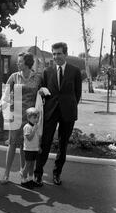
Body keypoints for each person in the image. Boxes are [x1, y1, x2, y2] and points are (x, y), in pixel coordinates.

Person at [35, 42, 82, 186]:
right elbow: (41, 90)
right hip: (51, 112)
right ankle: (38, 174)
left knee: (63, 145)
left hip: (68, 113)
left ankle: (57, 174)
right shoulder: (47, 72)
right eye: (54, 54)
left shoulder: (75, 71)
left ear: (65, 54)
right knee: (45, 142)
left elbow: (77, 93)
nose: (56, 56)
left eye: (59, 53)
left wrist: (69, 105)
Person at [0, 53, 42, 184]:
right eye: (18, 62)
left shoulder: (37, 78)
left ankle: (23, 173)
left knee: (25, 145)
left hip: (30, 117)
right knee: (12, 143)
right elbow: (5, 94)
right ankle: (6, 173)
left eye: (20, 62)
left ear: (28, 63)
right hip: (16, 114)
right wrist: (3, 104)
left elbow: (40, 96)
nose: (18, 64)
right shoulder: (14, 76)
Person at [20, 107, 41, 189]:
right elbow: (29, 138)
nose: (36, 119)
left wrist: (39, 146)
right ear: (28, 118)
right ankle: (23, 180)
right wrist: (34, 130)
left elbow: (37, 138)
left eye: (37, 117)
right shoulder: (27, 127)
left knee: (32, 164)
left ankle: (30, 179)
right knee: (28, 164)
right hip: (28, 149)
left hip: (34, 149)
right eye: (34, 117)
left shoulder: (36, 126)